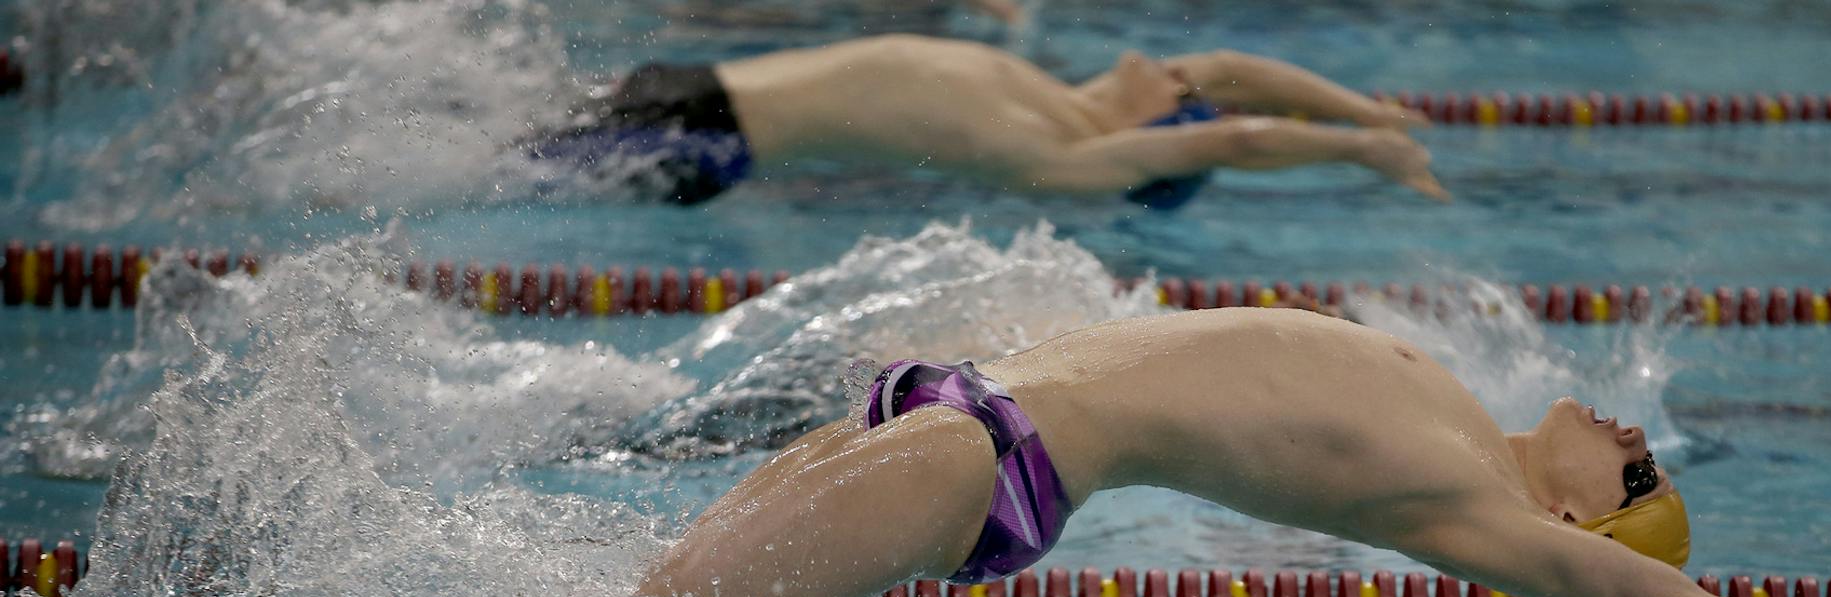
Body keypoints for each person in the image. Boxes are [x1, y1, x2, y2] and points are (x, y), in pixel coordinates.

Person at [590, 306, 1797, 597]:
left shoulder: (1483, 511)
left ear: (1582, 527)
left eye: (1639, 474)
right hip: (945, 410)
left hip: (984, 460)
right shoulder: (1470, 428)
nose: (1636, 430)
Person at [526, 39, 1443, 206]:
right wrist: (1367, 106)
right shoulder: (1060, 95)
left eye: (1173, 86)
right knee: (471, 133)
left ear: (1165, 128)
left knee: (477, 163)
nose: (1166, 66)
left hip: (696, 140)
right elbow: (1233, 70)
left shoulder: (1051, 151)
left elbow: (1233, 133)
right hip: (695, 90)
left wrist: (1364, 149)